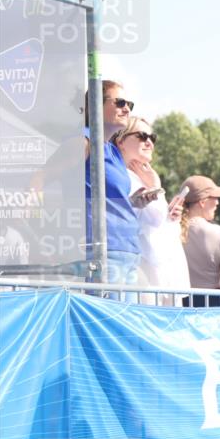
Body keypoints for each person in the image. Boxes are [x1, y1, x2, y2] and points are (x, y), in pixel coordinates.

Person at [111, 117, 190, 305]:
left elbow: (164, 227)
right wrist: (156, 186)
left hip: (160, 273)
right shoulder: (123, 177)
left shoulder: (143, 177)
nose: (149, 142)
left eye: (152, 137)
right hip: (143, 274)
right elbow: (154, 219)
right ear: (121, 141)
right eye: (141, 135)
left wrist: (172, 218)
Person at [84, 80, 141, 290]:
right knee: (106, 321)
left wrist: (136, 201)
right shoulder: (85, 140)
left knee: (124, 320)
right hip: (103, 251)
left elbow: (111, 197)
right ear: (96, 105)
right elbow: (46, 176)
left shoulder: (114, 151)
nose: (126, 108)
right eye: (120, 102)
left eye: (129, 105)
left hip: (128, 250)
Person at [180, 176, 220, 306]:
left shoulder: (169, 231)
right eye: (215, 198)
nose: (218, 203)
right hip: (211, 311)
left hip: (176, 309)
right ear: (202, 202)